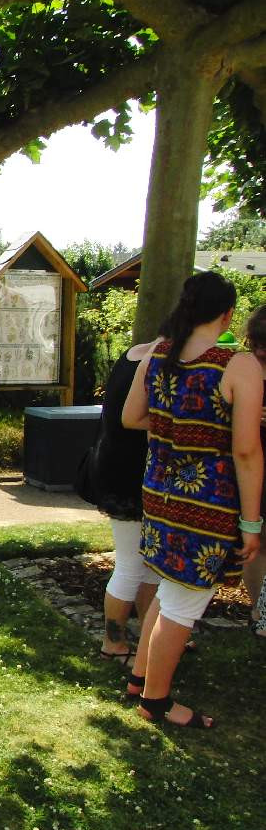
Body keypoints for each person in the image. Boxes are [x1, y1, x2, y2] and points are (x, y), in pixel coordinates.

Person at [121, 271, 262, 728]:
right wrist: (252, 524)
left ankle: (140, 679)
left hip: (160, 494)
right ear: (227, 314)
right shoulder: (237, 365)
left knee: (170, 590)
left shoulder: (156, 355)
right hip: (207, 504)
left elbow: (131, 417)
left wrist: (178, 428)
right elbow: (246, 451)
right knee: (183, 603)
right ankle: (156, 702)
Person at [92, 340, 160, 663]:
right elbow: (131, 418)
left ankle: (150, 634)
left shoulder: (136, 353)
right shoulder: (158, 361)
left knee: (148, 566)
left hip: (124, 472)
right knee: (131, 565)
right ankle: (113, 642)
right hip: (129, 478)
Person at [242, 303, 266, 639]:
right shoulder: (242, 366)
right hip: (251, 465)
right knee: (255, 542)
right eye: (256, 344)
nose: (260, 352)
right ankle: (258, 609)